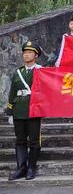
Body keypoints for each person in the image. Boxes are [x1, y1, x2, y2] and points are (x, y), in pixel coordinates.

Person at [5, 41, 42, 181]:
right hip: (19, 109)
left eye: (30, 53)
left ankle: (32, 168)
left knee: (33, 140)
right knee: (20, 140)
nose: (26, 55)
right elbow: (13, 92)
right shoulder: (18, 72)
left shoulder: (40, 71)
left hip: (34, 109)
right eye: (25, 53)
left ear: (36, 55)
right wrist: (10, 110)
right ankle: (21, 168)